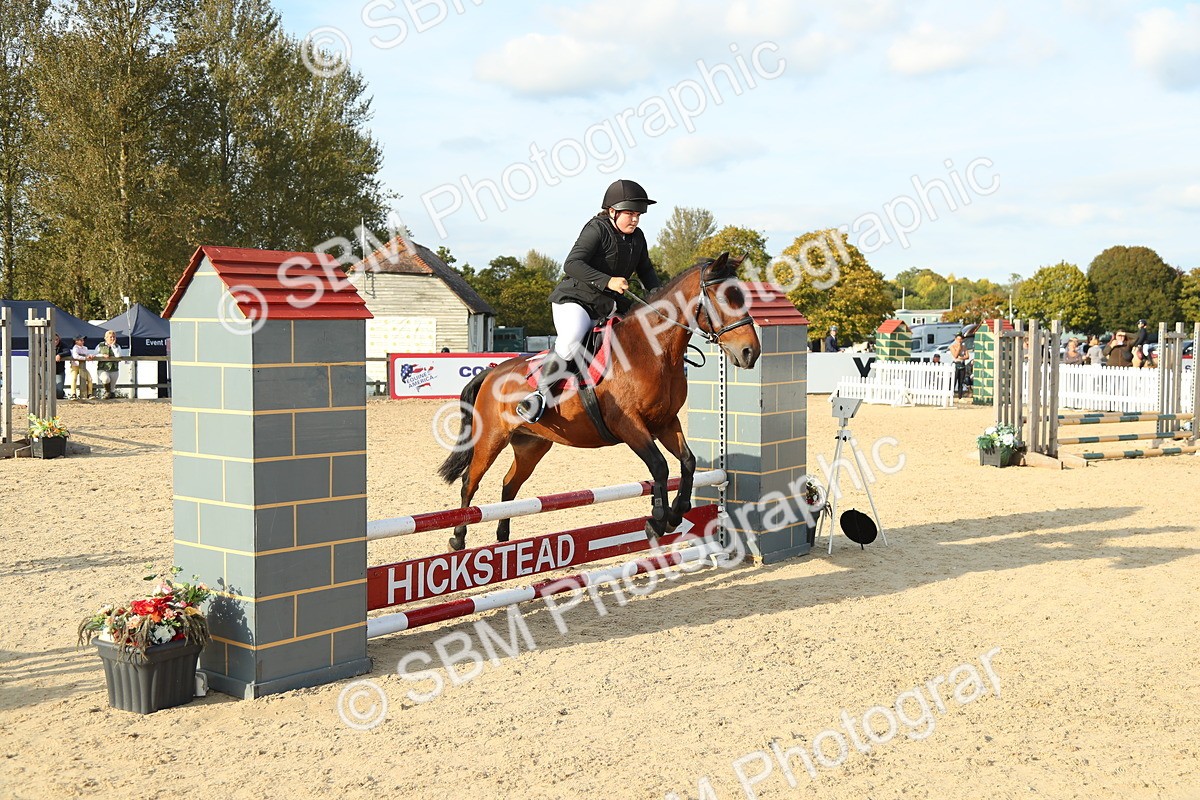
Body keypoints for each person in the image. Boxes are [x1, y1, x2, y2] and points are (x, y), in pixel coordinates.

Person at [516, 179, 662, 424]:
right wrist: (607, 281)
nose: (635, 220)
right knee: (572, 336)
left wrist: (658, 299)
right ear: (612, 211)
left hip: (607, 304)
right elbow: (572, 264)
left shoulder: (637, 238)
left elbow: (646, 271)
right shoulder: (597, 228)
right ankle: (538, 396)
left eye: (638, 214)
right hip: (575, 300)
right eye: (630, 214)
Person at [95, 330, 122, 399]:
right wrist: (102, 355)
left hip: (114, 368)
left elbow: (118, 356)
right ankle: (107, 393)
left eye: (114, 337)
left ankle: (111, 403)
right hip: (103, 368)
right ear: (106, 338)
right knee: (106, 379)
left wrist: (113, 346)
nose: (112, 339)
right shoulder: (100, 345)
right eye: (110, 337)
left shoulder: (117, 346)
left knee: (112, 390)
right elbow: (94, 354)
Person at [69, 334, 93, 399]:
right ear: (76, 341)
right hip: (75, 366)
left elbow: (87, 354)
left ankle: (89, 393)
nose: (82, 341)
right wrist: (85, 358)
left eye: (83, 340)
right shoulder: (75, 348)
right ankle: (73, 394)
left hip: (83, 366)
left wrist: (90, 356)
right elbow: (75, 356)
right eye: (81, 340)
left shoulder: (85, 348)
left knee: (90, 379)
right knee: (74, 379)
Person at [948, 332, 970, 398]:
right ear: (955, 339)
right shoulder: (952, 346)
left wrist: (962, 357)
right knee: (954, 381)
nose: (959, 341)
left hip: (962, 364)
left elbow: (967, 356)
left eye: (960, 339)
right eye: (958, 339)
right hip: (956, 364)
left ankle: (960, 396)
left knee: (961, 381)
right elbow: (955, 355)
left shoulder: (964, 347)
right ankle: (951, 395)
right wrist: (958, 348)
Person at [53, 334, 72, 399]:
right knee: (49, 387)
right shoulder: (46, 345)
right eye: (53, 339)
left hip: (59, 370)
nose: (55, 341)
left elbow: (68, 352)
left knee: (59, 389)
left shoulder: (63, 345)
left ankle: (61, 396)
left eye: (57, 339)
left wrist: (60, 355)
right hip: (47, 370)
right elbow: (41, 352)